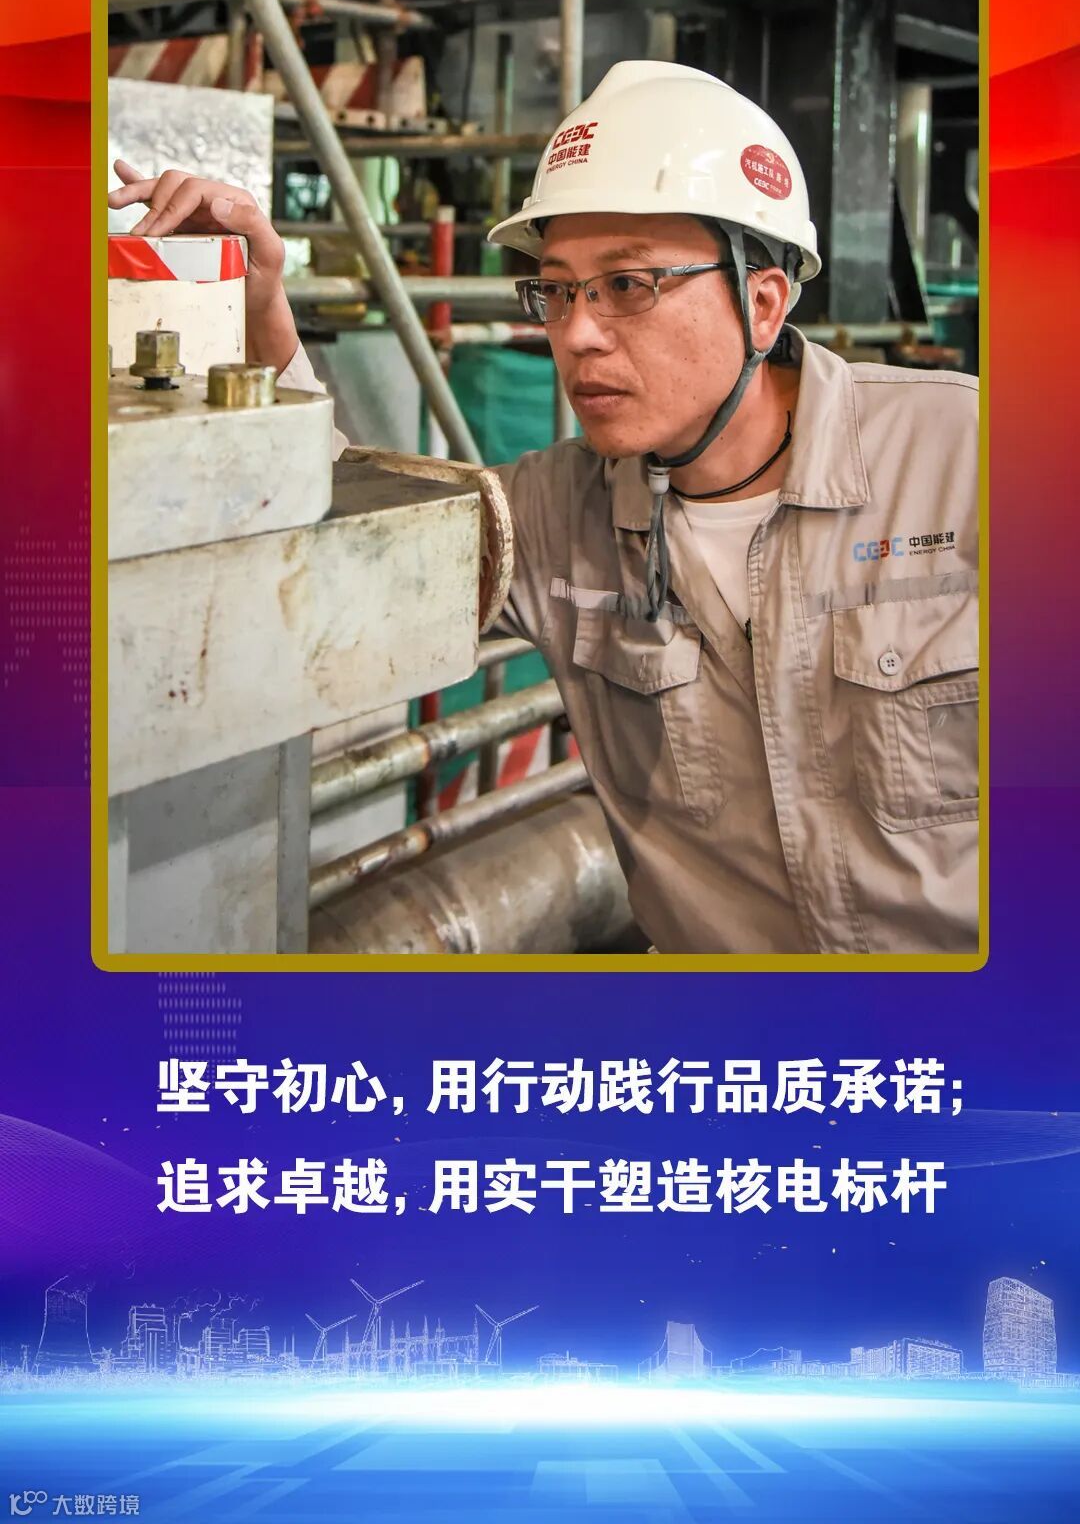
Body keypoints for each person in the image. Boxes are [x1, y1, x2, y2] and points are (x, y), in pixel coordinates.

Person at [109, 61, 979, 957]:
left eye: (628, 284)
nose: (576, 334)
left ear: (762, 304)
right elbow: (350, 530)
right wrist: (258, 305)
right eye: (557, 291)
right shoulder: (557, 515)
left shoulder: (970, 459)